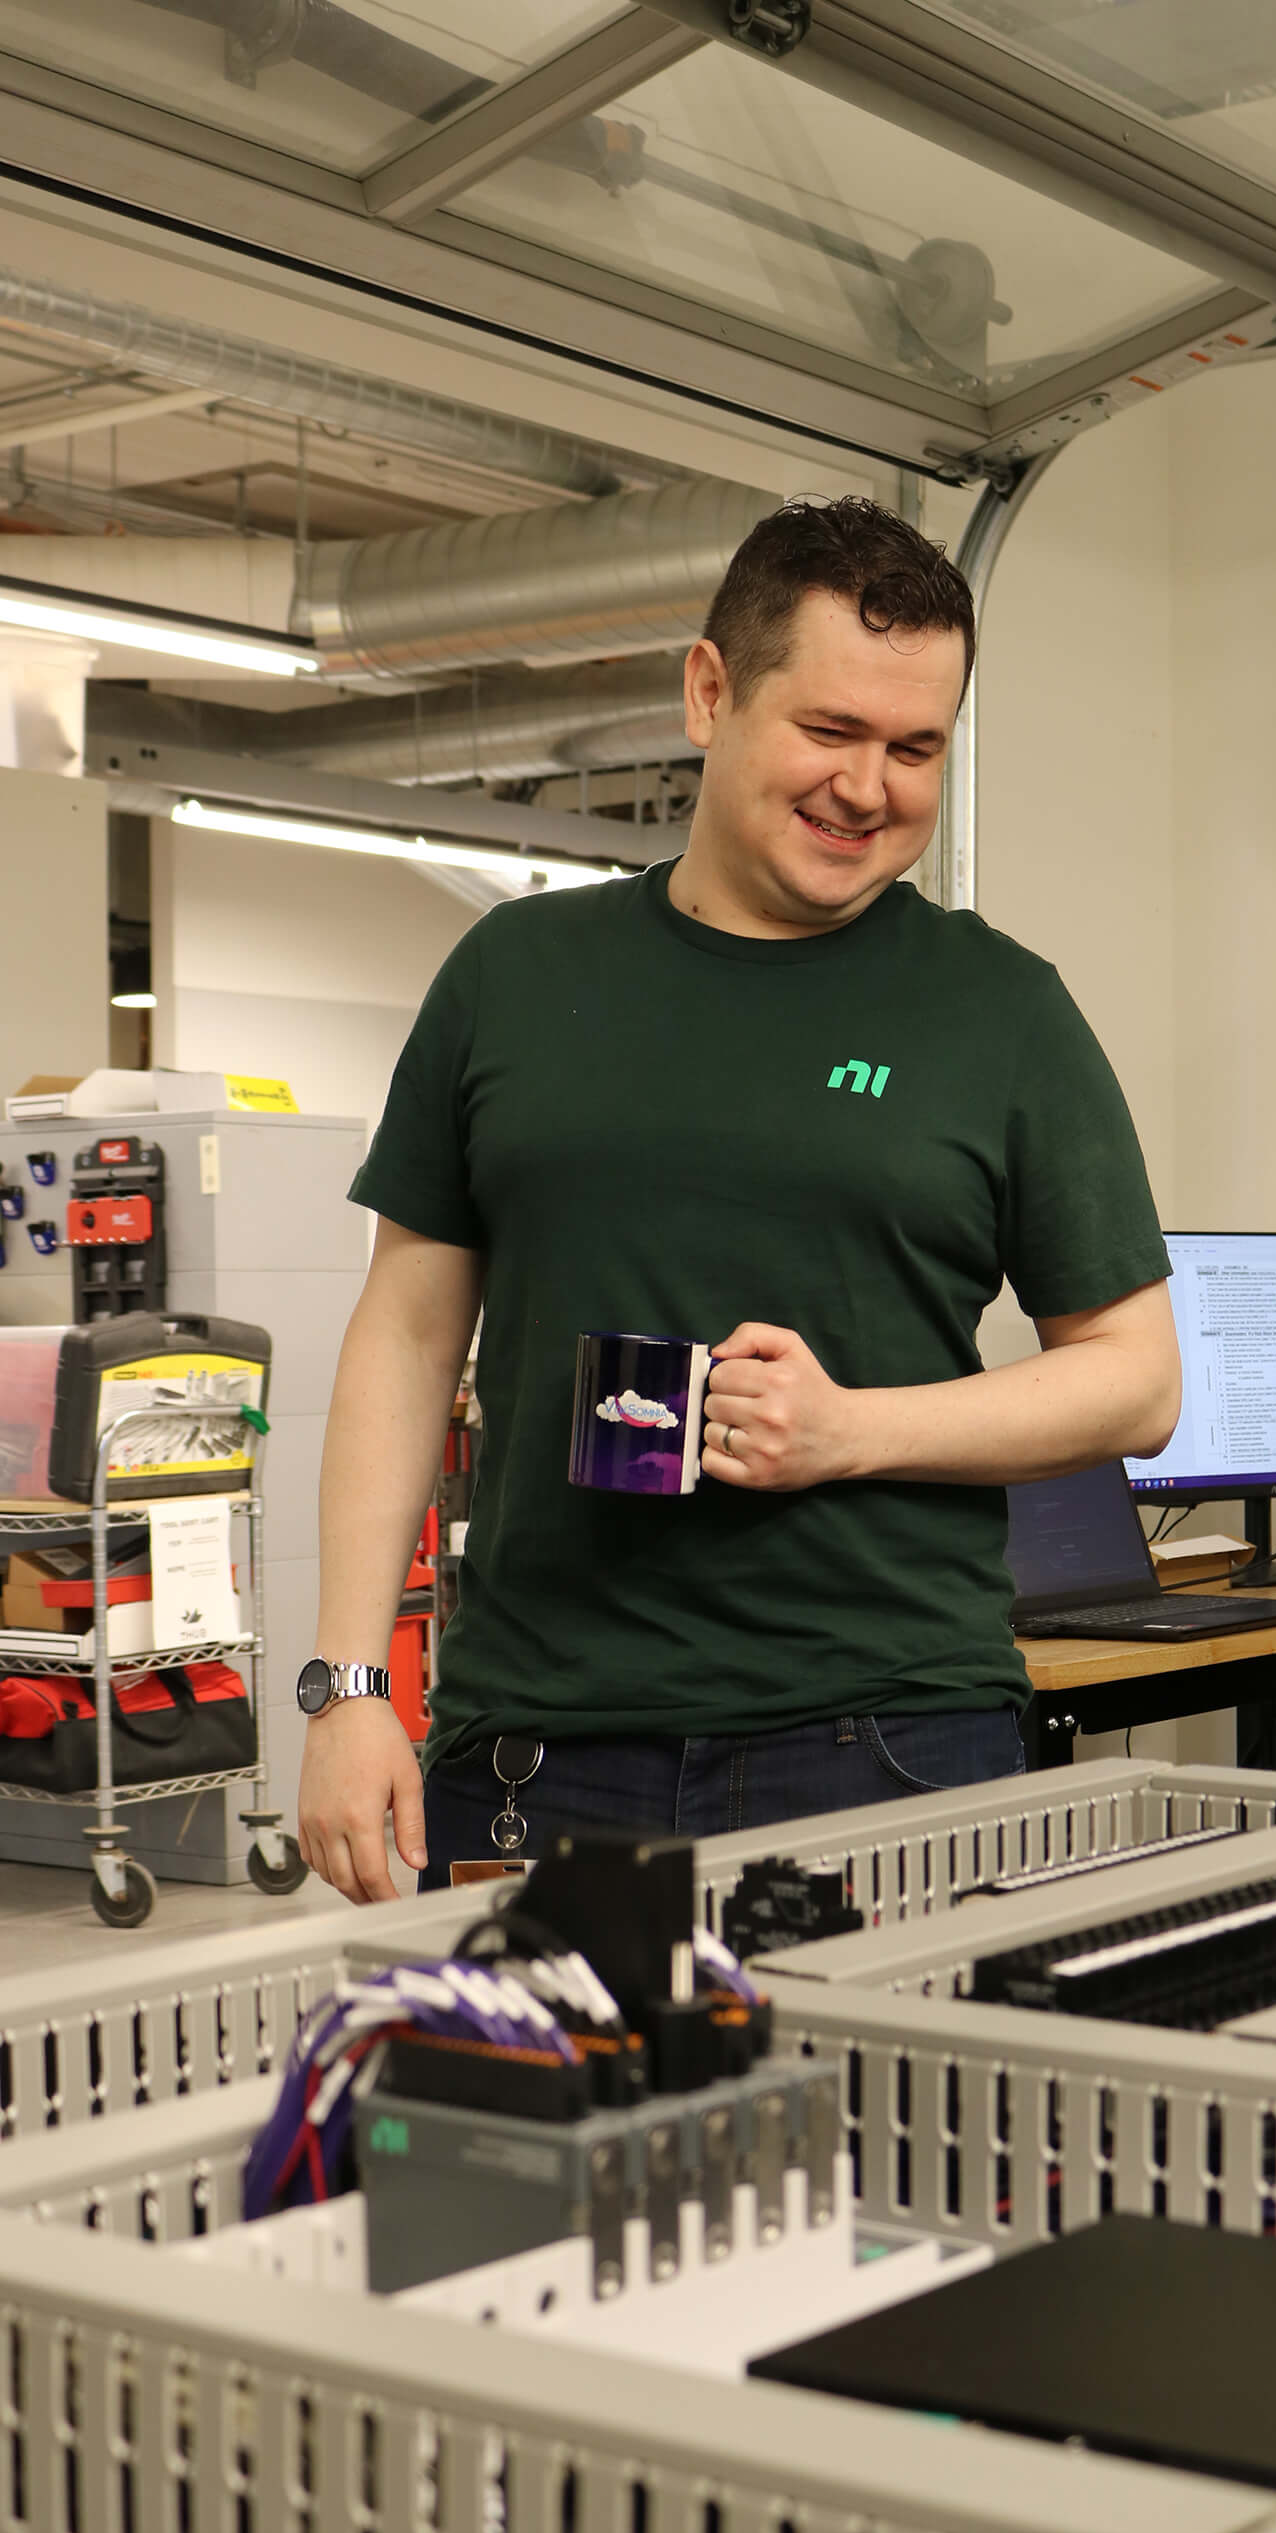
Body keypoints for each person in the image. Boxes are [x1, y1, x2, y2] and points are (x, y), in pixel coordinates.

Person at [297, 495, 1179, 1904]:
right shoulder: (514, 977)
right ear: (710, 692)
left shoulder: (1001, 1012)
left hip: (889, 1735)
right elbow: (404, 1336)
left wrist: (850, 1431)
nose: (868, 788)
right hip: (542, 1744)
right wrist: (348, 1684)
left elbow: (1136, 1380)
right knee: (531, 2067)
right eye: (831, 730)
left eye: (916, 749)